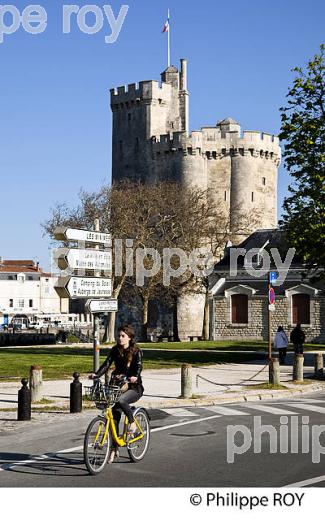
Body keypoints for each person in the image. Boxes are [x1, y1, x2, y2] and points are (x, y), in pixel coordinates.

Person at [89, 324, 144, 463]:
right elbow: (107, 364)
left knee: (121, 401)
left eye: (123, 336)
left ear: (129, 338)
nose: (119, 338)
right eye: (118, 335)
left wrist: (135, 376)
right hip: (117, 386)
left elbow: (138, 366)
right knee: (113, 417)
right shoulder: (115, 350)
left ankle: (132, 422)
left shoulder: (137, 351)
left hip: (133, 387)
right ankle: (114, 448)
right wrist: (96, 375)